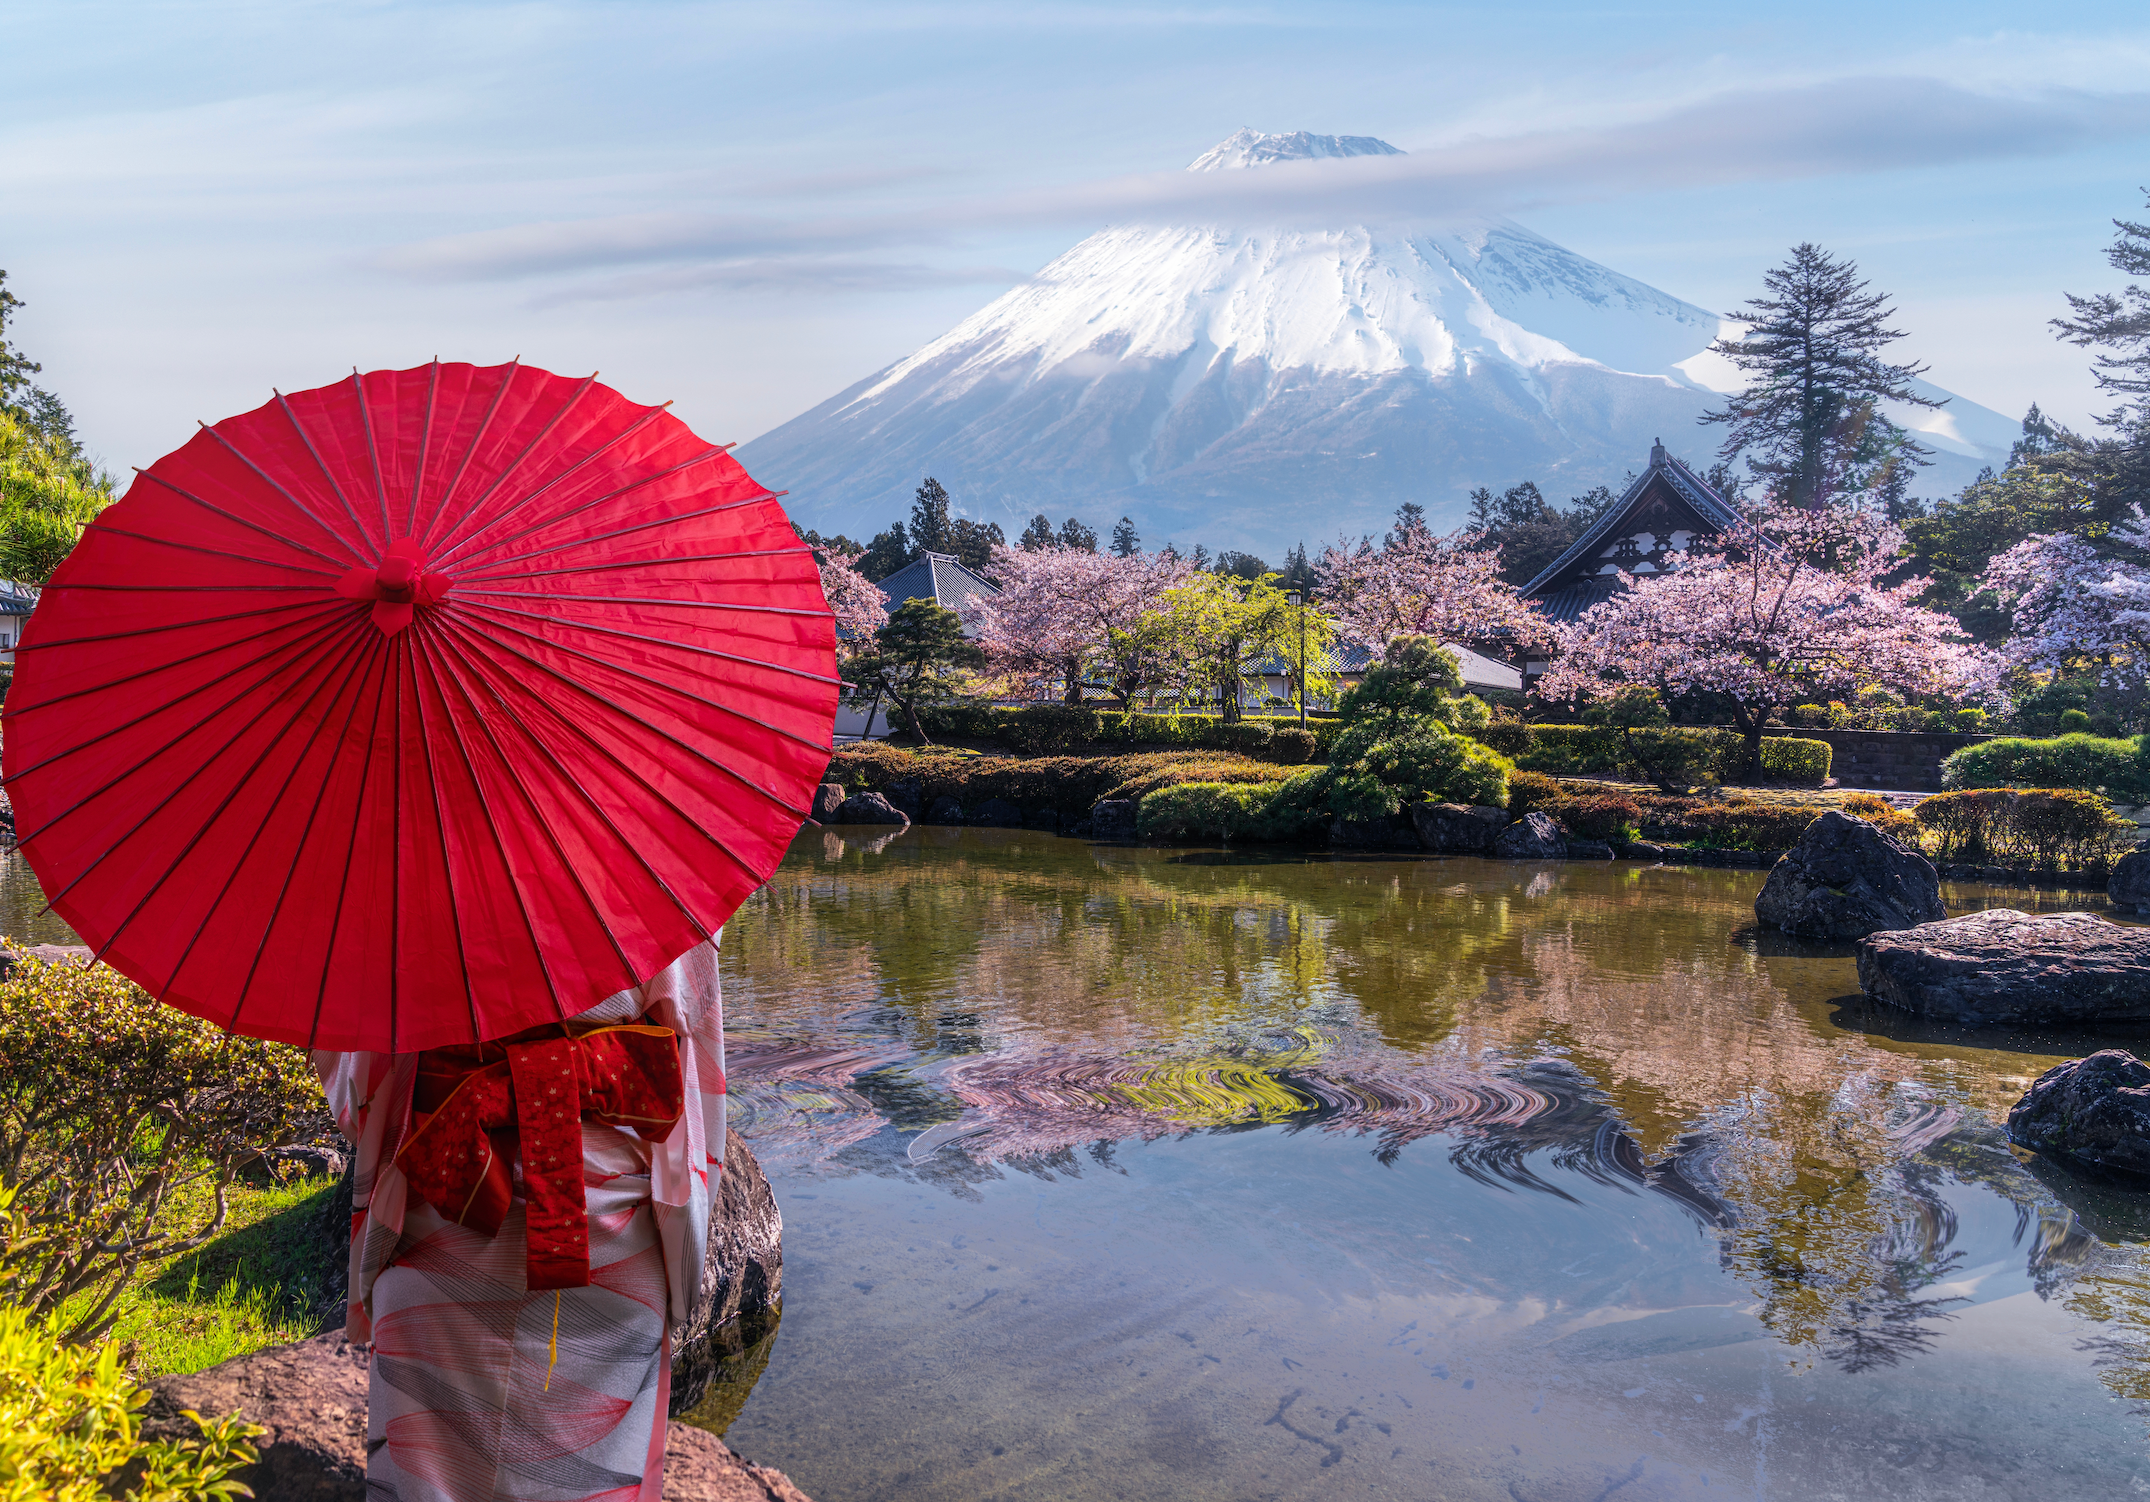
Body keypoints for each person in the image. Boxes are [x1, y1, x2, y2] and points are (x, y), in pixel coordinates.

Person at [316, 937, 728, 1502]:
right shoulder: (642, 878)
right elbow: (694, 1057)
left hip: (449, 1206)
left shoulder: (399, 895)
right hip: (611, 1226)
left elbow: (359, 1086)